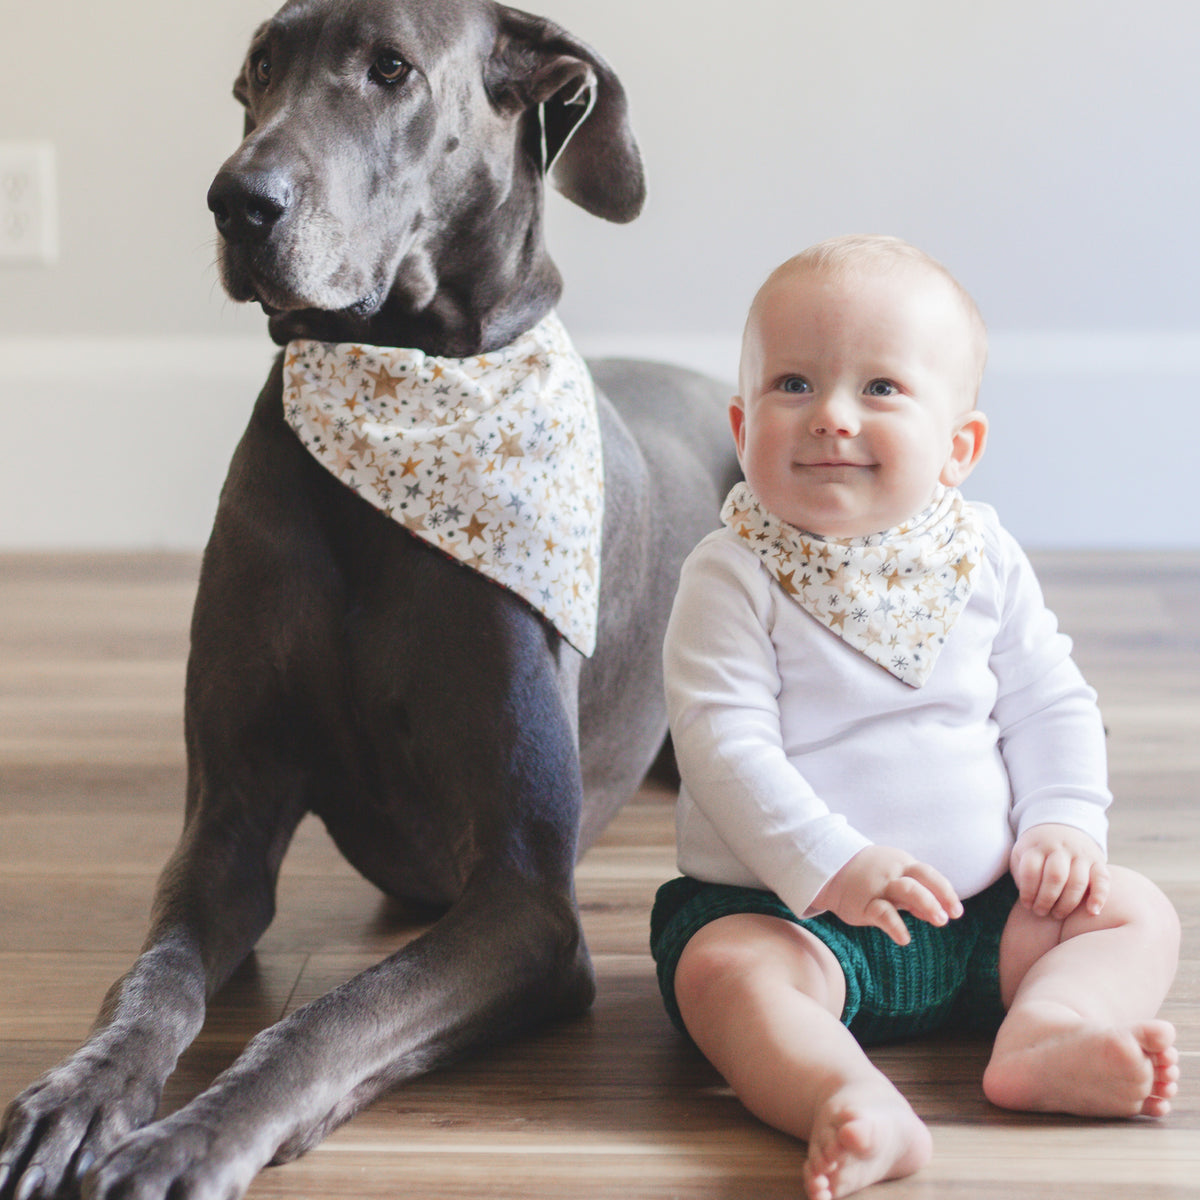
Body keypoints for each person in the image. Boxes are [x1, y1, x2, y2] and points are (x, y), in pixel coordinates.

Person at [650, 235, 1181, 1200]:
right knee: (724, 977)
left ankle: (1047, 1033)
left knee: (1135, 911)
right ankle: (845, 1098)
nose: (833, 419)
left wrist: (1063, 821)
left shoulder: (982, 557)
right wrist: (832, 865)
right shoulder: (731, 575)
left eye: (882, 390)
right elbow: (723, 747)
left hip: (981, 913)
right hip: (794, 918)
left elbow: (1047, 698)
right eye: (795, 385)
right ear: (741, 424)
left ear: (959, 448)